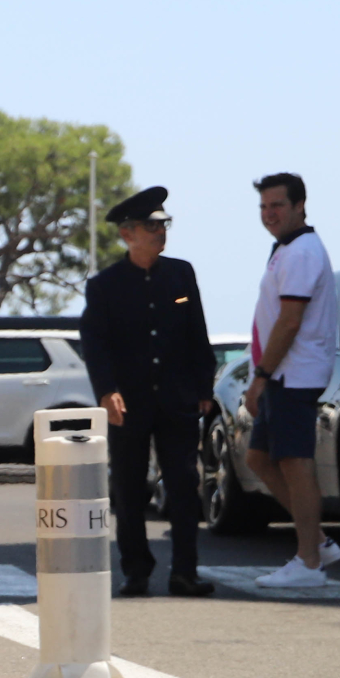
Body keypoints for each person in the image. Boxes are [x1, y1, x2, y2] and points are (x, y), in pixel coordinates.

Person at [79, 186, 216, 597]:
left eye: (163, 224)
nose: (160, 232)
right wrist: (106, 391)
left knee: (183, 486)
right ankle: (136, 571)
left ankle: (185, 572)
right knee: (129, 488)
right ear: (128, 234)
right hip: (129, 404)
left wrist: (203, 386)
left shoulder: (180, 274)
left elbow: (197, 334)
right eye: (152, 225)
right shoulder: (105, 286)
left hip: (177, 399)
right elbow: (95, 342)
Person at [243, 173, 340, 589]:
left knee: (296, 464)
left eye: (277, 205)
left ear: (301, 205)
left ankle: (309, 563)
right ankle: (317, 541)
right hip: (280, 373)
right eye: (264, 207)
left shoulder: (302, 251)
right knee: (258, 460)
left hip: (292, 375)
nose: (270, 214)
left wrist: (262, 376)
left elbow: (290, 319)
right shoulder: (286, 249)